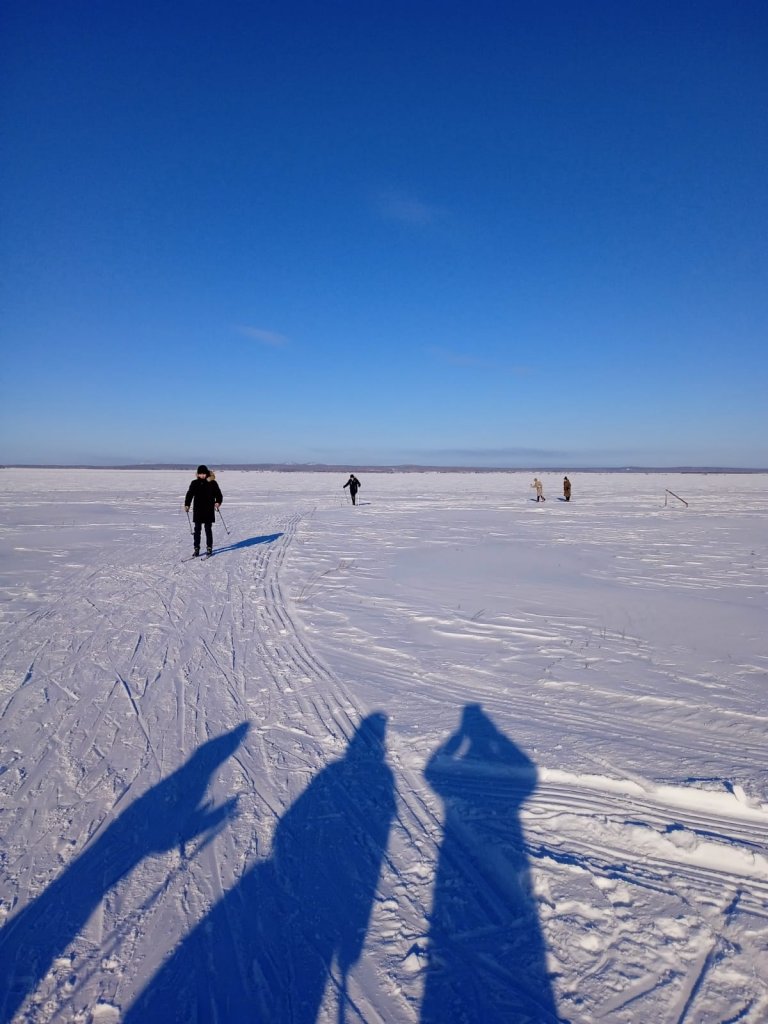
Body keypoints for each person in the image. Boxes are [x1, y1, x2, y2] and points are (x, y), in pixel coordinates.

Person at [184, 465, 223, 556]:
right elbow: (189, 494)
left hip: (208, 509)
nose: (202, 475)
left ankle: (209, 548)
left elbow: (218, 494)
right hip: (198, 509)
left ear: (207, 473)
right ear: (198, 474)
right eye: (200, 474)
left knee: (208, 529)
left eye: (204, 474)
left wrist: (218, 502)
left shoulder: (212, 483)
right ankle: (196, 548)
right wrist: (187, 504)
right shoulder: (194, 483)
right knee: (197, 530)